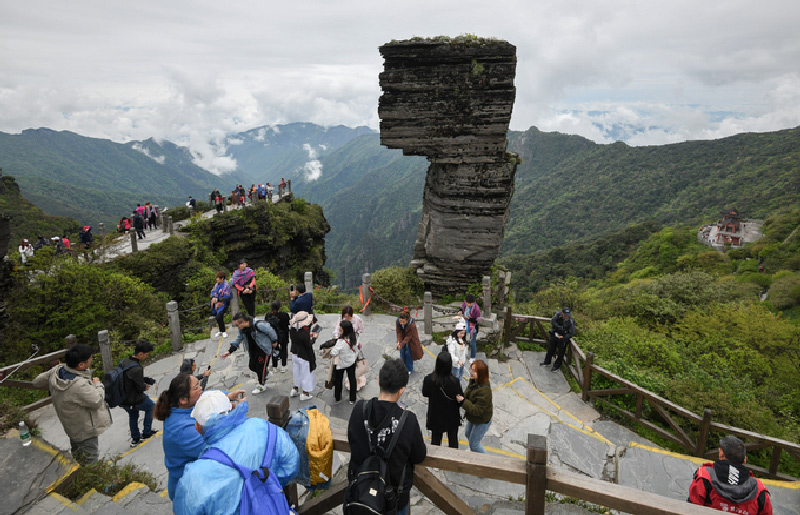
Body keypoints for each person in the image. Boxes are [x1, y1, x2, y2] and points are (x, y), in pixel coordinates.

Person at [173, 390, 299, 514]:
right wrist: (266, 487)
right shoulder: (262, 427)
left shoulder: (193, 478)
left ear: (198, 428)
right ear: (233, 408)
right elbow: (292, 463)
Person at [348, 358, 426, 515]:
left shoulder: (359, 410)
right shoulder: (408, 420)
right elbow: (419, 456)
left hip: (361, 495)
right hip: (393, 498)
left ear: (378, 381)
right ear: (402, 389)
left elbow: (352, 441)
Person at [154, 374, 244, 500]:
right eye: (196, 387)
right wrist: (236, 413)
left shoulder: (185, 407)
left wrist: (226, 397)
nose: (201, 388)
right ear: (183, 399)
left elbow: (208, 396)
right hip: (190, 490)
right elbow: (217, 450)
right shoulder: (182, 430)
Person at [31, 344, 111, 464]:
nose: (92, 359)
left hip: (71, 426)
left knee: (78, 454)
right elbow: (97, 401)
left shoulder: (57, 371)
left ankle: (78, 475)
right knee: (90, 460)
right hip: (86, 428)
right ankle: (92, 481)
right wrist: (97, 384)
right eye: (90, 358)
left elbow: (36, 382)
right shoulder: (79, 384)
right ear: (81, 365)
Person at [688, 435, 773, 514]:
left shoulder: (705, 476)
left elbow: (691, 509)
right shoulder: (759, 488)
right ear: (744, 460)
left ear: (721, 453)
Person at [220, 312, 277, 394]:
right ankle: (266, 374)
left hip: (263, 349)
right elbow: (238, 339)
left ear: (243, 322)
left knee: (260, 368)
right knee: (252, 366)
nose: (237, 327)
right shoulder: (242, 330)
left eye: (237, 325)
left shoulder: (258, 325)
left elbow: (270, 331)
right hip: (252, 350)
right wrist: (229, 351)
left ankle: (262, 385)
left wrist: (274, 341)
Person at [120, 341, 158, 446]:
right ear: (140, 354)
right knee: (151, 407)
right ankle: (146, 433)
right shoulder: (137, 368)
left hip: (123, 398)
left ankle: (135, 438)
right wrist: (145, 386)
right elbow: (140, 387)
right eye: (147, 354)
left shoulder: (124, 361)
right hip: (134, 398)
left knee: (133, 415)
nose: (147, 356)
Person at [422, 351, 463, 448]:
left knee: (435, 442)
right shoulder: (455, 382)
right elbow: (460, 398)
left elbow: (425, 393)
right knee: (453, 442)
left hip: (436, 415)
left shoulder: (429, 380)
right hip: (451, 416)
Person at [456, 359, 493, 453]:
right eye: (471, 370)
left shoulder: (485, 391)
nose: (471, 373)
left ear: (481, 374)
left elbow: (477, 410)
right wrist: (462, 396)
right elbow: (468, 392)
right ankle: (474, 450)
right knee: (467, 433)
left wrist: (463, 401)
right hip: (473, 417)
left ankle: (487, 462)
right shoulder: (474, 381)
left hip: (482, 420)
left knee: (474, 444)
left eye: (474, 371)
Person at [288, 311, 318, 400]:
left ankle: (295, 389)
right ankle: (305, 393)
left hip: (295, 353)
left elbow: (299, 339)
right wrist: (314, 338)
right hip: (304, 355)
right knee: (306, 374)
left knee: (296, 372)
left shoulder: (292, 330)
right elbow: (308, 344)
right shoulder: (304, 333)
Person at [330, 320, 360, 404]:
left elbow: (333, 353)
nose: (340, 329)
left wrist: (331, 350)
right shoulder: (355, 337)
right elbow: (357, 347)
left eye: (341, 328)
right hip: (351, 361)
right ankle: (352, 399)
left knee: (339, 380)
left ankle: (338, 397)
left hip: (341, 363)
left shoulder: (341, 341)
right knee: (352, 379)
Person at [540, 306, 576, 372]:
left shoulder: (571, 321)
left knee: (560, 353)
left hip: (563, 338)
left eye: (567, 315)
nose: (566, 316)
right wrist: (559, 327)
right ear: (562, 313)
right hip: (555, 334)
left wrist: (564, 337)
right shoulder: (558, 315)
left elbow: (572, 333)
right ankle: (547, 362)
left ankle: (556, 366)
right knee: (550, 349)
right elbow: (552, 321)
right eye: (565, 315)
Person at [266, 300, 290, 374]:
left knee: (274, 350)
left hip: (273, 336)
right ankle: (283, 366)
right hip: (283, 335)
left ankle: (274, 366)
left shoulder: (268, 316)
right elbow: (288, 324)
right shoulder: (284, 315)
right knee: (283, 349)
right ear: (280, 307)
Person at [396, 308, 421, 373]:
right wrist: (399, 342)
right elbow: (398, 332)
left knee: (409, 354)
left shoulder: (412, 325)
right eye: (400, 321)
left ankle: (409, 369)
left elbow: (409, 336)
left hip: (411, 339)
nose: (401, 323)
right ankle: (402, 367)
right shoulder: (397, 321)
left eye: (403, 322)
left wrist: (401, 344)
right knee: (402, 352)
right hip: (403, 336)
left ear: (407, 320)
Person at [459, 293, 482, 361]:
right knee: (462, 339)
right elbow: (462, 308)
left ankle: (473, 357)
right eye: (467, 303)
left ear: (473, 302)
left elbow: (478, 320)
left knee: (472, 342)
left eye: (470, 303)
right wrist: (460, 311)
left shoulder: (476, 309)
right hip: (464, 324)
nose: (468, 305)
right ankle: (462, 353)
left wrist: (469, 319)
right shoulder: (465, 304)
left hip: (473, 327)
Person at [210, 270, 232, 338]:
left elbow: (227, 296)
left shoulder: (226, 285)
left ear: (222, 278)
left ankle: (223, 331)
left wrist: (218, 299)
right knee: (218, 317)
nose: (217, 279)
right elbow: (213, 292)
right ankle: (221, 330)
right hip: (217, 303)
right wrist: (213, 297)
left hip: (224, 303)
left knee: (219, 316)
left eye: (218, 278)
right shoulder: (216, 285)